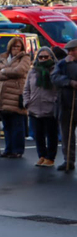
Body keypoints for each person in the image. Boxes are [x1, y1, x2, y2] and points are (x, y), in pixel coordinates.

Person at [0, 37, 31, 159]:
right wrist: (8, 72)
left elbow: (20, 71)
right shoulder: (2, 57)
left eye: (18, 47)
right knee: (7, 126)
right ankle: (8, 149)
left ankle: (18, 150)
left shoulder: (25, 58)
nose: (15, 49)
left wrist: (3, 71)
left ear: (22, 48)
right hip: (2, 97)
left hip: (15, 96)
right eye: (13, 47)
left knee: (17, 126)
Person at [25, 47, 59, 168]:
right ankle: (42, 156)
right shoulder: (32, 71)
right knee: (38, 135)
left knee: (51, 134)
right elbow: (26, 89)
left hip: (49, 107)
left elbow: (58, 89)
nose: (43, 59)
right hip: (34, 107)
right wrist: (27, 102)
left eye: (46, 57)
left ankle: (50, 158)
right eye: (41, 57)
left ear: (51, 57)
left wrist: (54, 101)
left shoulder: (55, 70)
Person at [51, 38, 77, 172]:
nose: (70, 53)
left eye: (73, 50)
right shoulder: (62, 64)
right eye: (69, 51)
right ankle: (69, 160)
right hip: (66, 103)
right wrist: (68, 82)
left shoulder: (70, 64)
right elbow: (54, 78)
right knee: (67, 135)